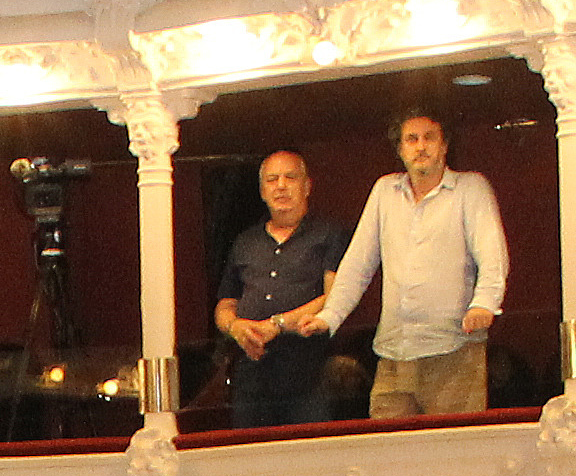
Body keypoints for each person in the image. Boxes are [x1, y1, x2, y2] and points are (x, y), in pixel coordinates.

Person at [291, 105, 513, 419]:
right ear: (400, 148)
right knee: (388, 452)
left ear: (444, 145)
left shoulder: (470, 188)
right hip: (394, 352)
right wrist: (330, 316)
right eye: (411, 139)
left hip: (453, 350)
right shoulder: (384, 191)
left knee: (450, 455)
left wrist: (484, 305)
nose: (420, 146)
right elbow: (358, 262)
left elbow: (493, 256)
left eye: (429, 138)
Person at [214, 146, 350, 425]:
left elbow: (334, 296)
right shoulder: (245, 242)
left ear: (307, 186)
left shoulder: (329, 234)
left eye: (290, 178)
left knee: (308, 458)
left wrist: (276, 324)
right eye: (272, 180)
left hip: (309, 371)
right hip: (251, 372)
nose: (281, 187)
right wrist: (235, 327)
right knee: (251, 459)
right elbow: (225, 304)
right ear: (262, 191)